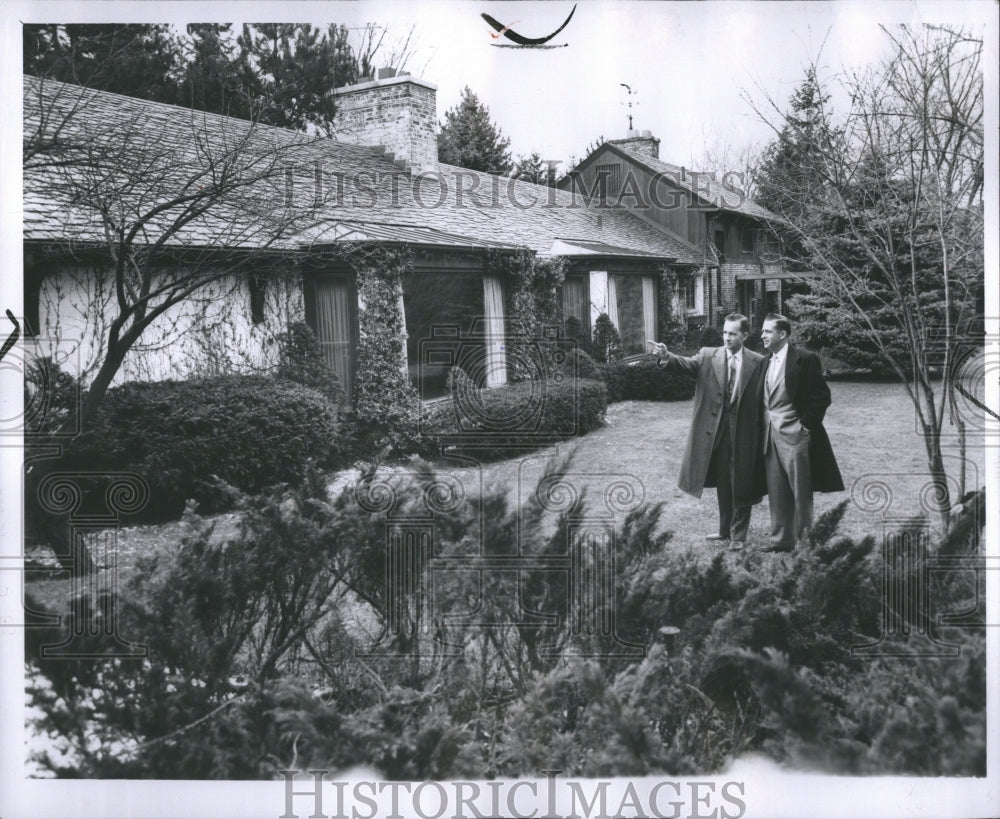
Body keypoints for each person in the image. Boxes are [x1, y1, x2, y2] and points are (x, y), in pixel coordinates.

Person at [648, 314, 765, 550]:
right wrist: (665, 357)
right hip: (716, 432)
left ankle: (738, 536)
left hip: (745, 433)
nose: (727, 337)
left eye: (732, 333)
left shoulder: (759, 362)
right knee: (724, 481)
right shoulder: (708, 355)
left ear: (744, 335)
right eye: (724, 332)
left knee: (741, 482)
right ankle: (724, 530)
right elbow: (684, 364)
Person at [751, 312, 844, 552]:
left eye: (767, 331)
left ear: (782, 334)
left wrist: (806, 428)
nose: (762, 335)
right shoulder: (764, 361)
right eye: (763, 331)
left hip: (796, 436)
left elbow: (821, 396)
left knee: (801, 493)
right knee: (776, 490)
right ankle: (781, 540)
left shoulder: (806, 359)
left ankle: (806, 543)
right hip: (770, 437)